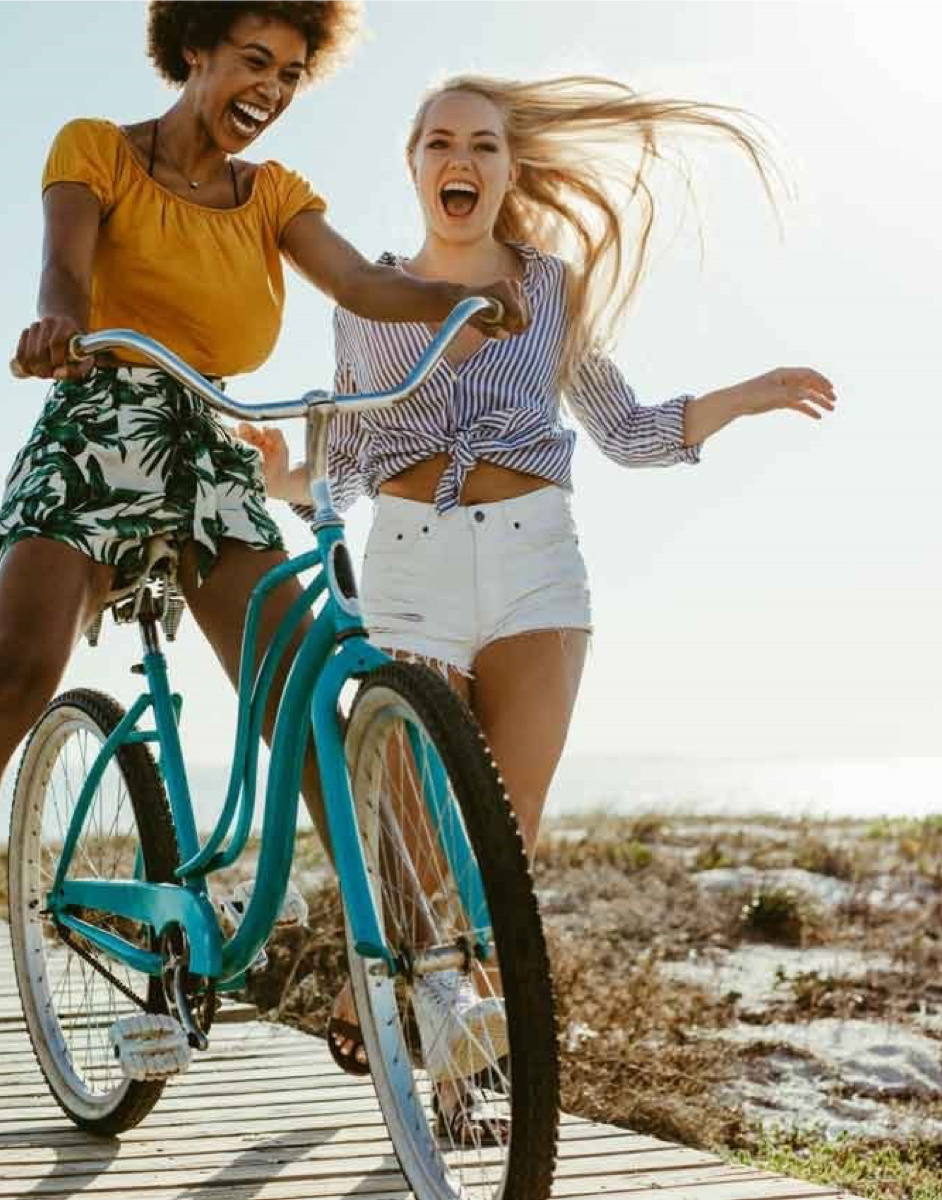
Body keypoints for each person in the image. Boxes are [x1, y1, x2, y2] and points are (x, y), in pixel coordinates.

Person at [242, 71, 837, 1107]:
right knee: (421, 845)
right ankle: (399, 1001)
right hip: (411, 565)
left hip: (535, 568)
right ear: (414, 164)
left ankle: (453, 1080)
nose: (458, 159)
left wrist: (741, 398)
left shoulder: (553, 288)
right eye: (438, 143)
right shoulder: (366, 299)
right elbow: (346, 456)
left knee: (501, 856)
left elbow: (626, 430)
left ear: (510, 168)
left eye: (481, 143)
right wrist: (296, 483)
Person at [0, 5, 527, 859]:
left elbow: (357, 281)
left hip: (207, 440)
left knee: (304, 695)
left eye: (289, 74)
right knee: (19, 667)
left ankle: (409, 961)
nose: (272, 89)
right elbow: (64, 268)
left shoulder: (273, 195)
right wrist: (57, 327)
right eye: (255, 60)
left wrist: (456, 300)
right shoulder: (96, 148)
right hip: (95, 420)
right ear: (194, 48)